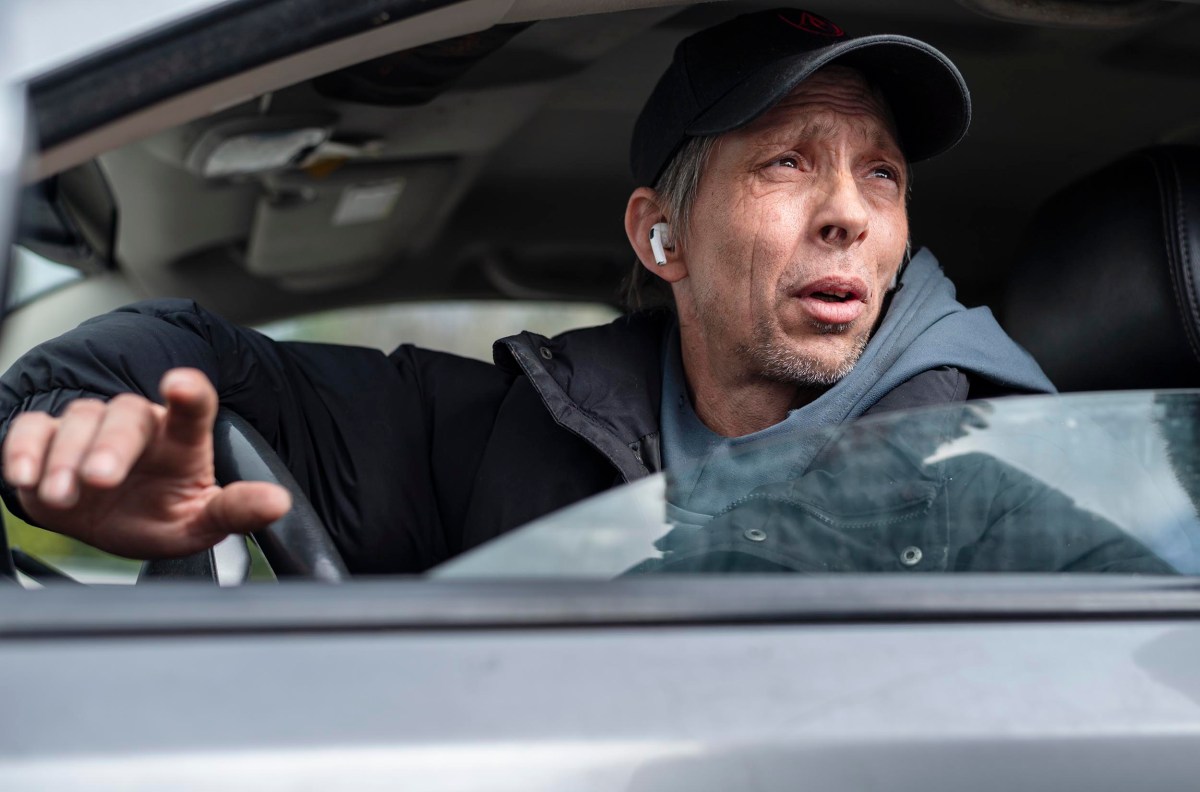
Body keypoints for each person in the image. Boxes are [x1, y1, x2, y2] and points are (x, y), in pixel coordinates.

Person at [0, 9, 1056, 573]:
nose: (851, 214)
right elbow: (199, 352)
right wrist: (68, 432)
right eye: (787, 162)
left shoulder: (1005, 477)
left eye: (881, 172)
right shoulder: (506, 435)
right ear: (660, 234)